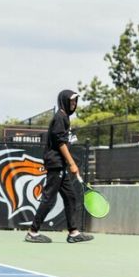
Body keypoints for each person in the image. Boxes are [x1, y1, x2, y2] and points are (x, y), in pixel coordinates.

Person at [25, 89, 93, 244]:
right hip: (56, 164)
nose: (74, 104)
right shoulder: (60, 118)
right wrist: (72, 163)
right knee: (49, 198)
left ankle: (73, 233)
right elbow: (60, 143)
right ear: (64, 101)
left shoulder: (65, 118)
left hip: (60, 164)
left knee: (70, 197)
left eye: (76, 101)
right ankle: (33, 232)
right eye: (71, 101)